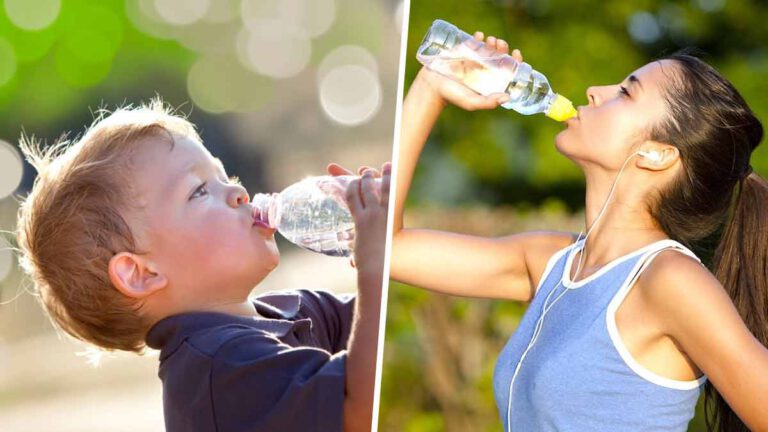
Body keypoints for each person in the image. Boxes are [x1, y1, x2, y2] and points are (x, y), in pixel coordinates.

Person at [388, 30, 768, 431]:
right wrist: (431, 86)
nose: (593, 91)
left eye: (626, 93)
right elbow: (385, 249)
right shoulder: (551, 262)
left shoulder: (669, 279)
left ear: (656, 154)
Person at [15, 99, 390, 432]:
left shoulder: (291, 311)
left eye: (225, 176)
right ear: (142, 273)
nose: (239, 193)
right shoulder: (216, 370)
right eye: (199, 190)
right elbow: (358, 411)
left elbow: (385, 323)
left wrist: (382, 222)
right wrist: (372, 268)